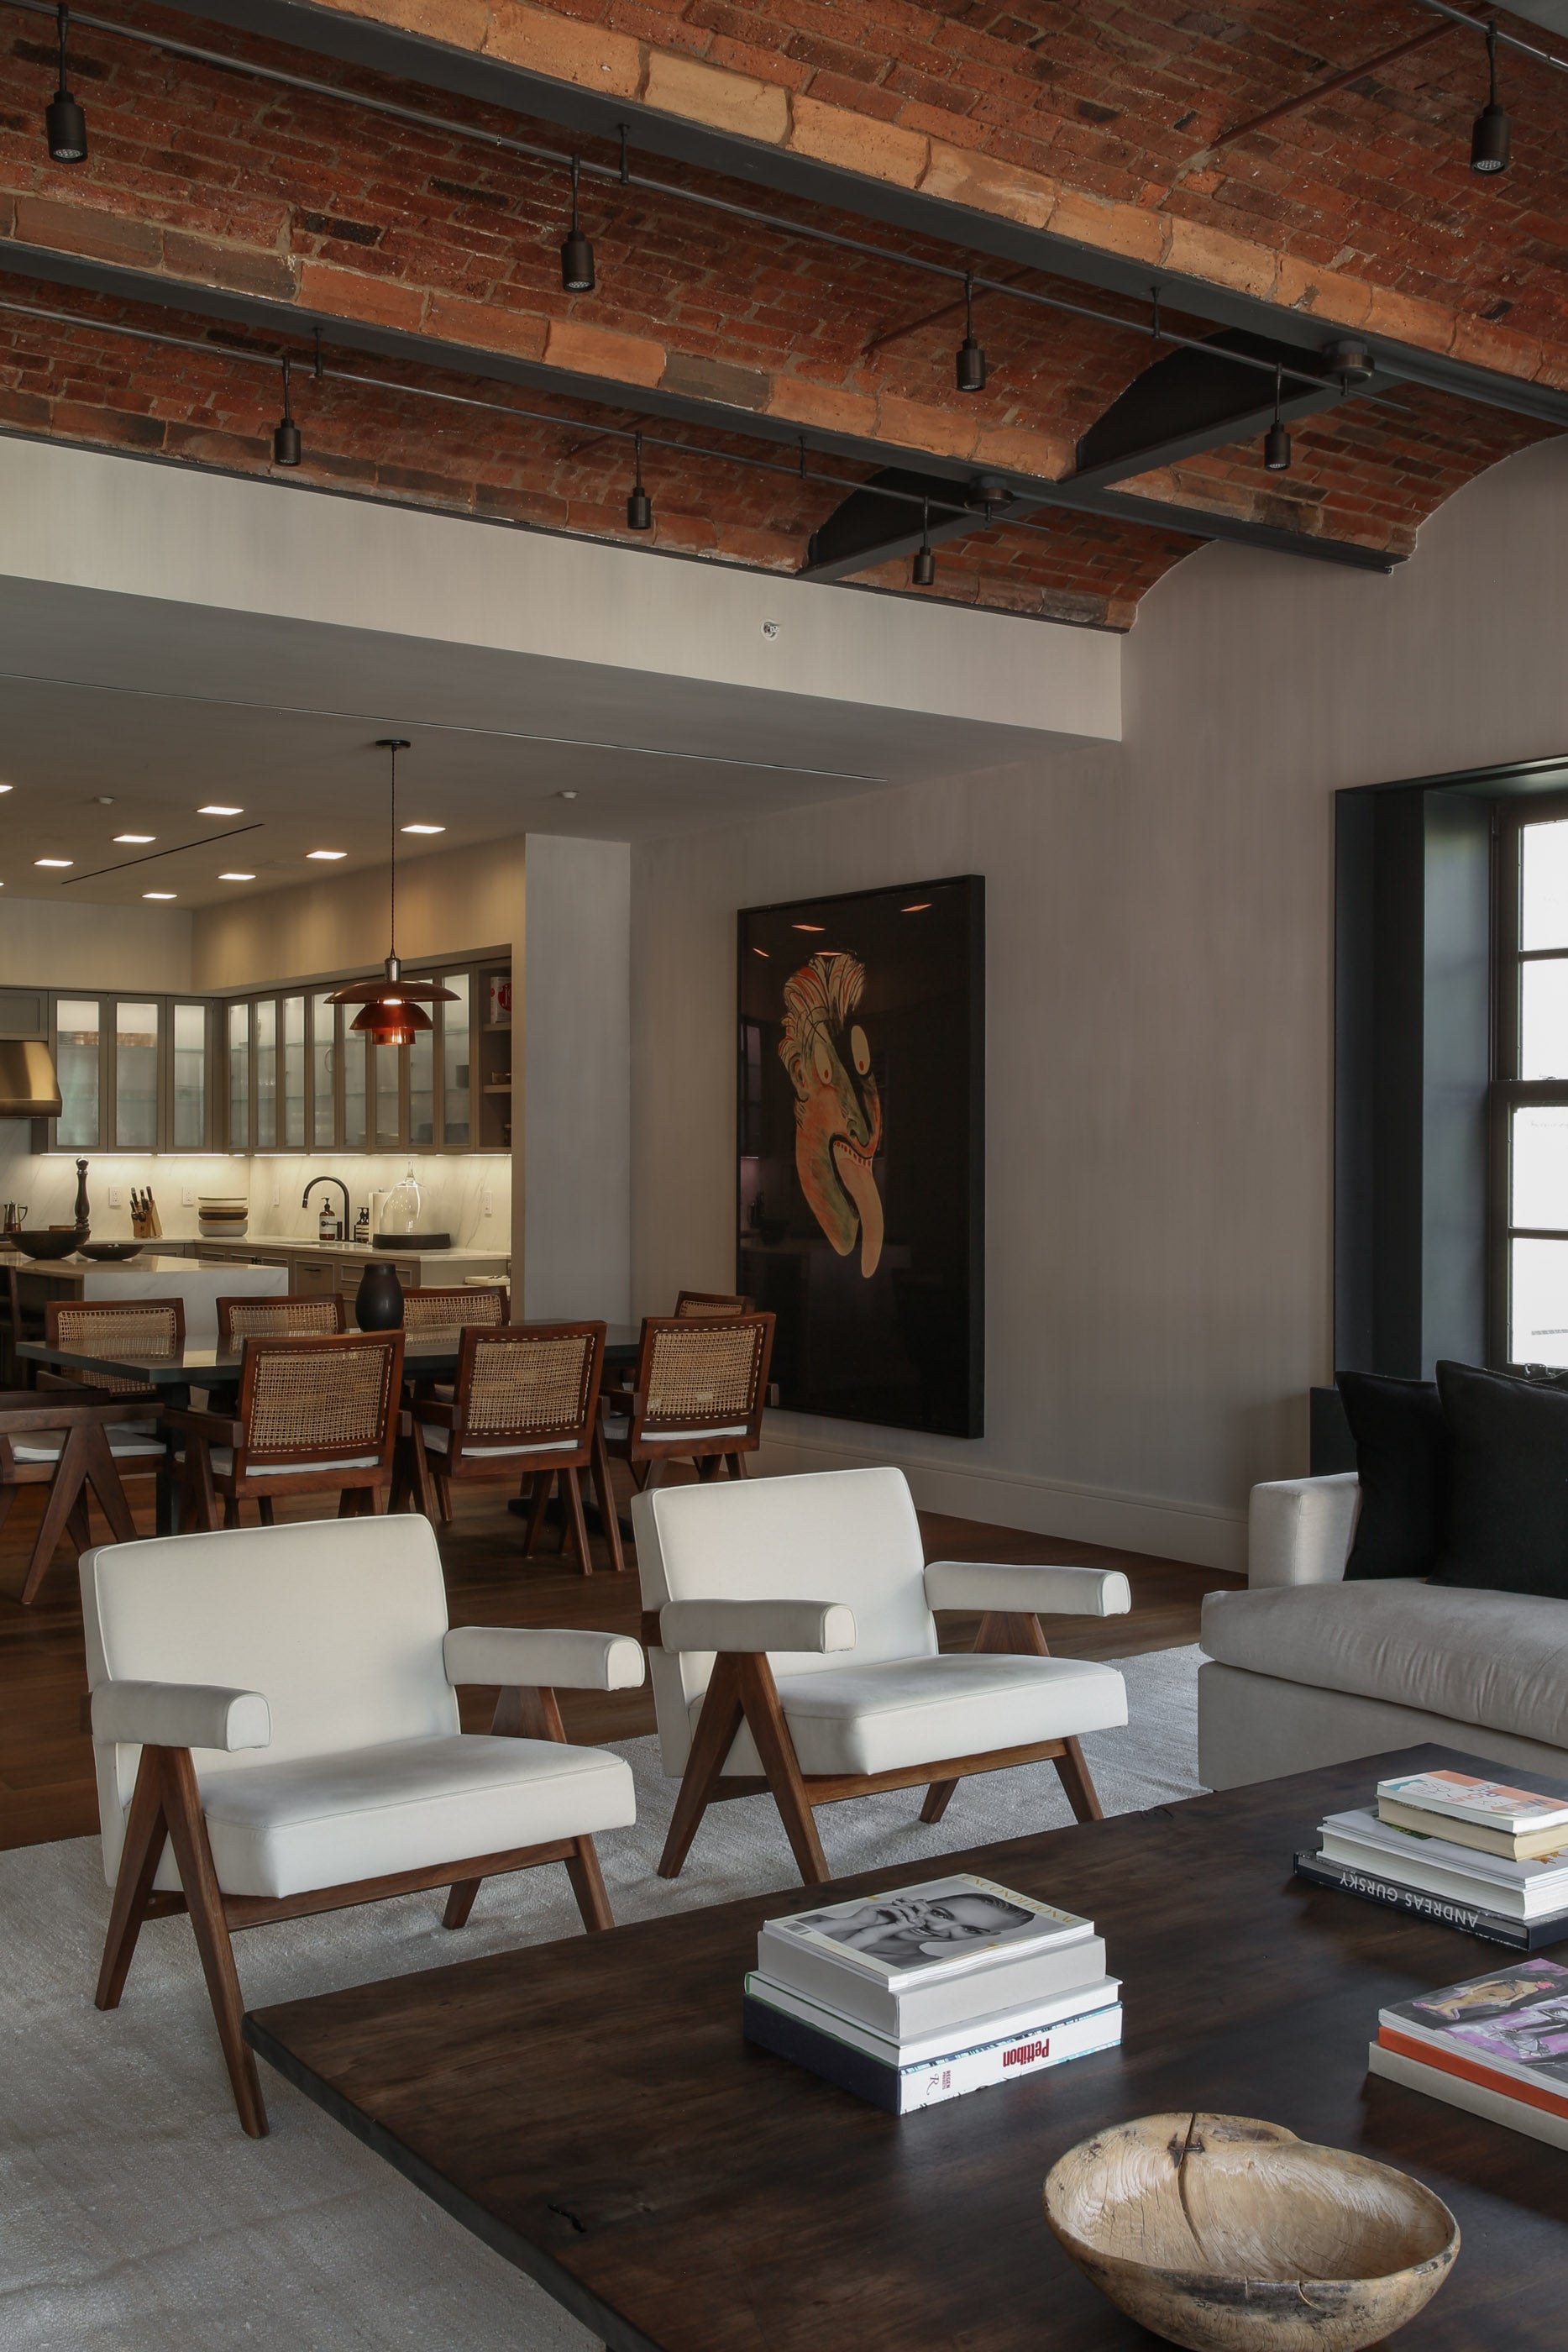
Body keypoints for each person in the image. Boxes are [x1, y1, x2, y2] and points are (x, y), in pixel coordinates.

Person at [800, 1886, 1033, 1967]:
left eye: (970, 1929)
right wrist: (854, 1924)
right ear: (922, 1902)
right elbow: (788, 1958)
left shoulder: (925, 1968)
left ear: (987, 1936)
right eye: (939, 1913)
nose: (938, 1929)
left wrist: (872, 1934)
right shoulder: (821, 1924)